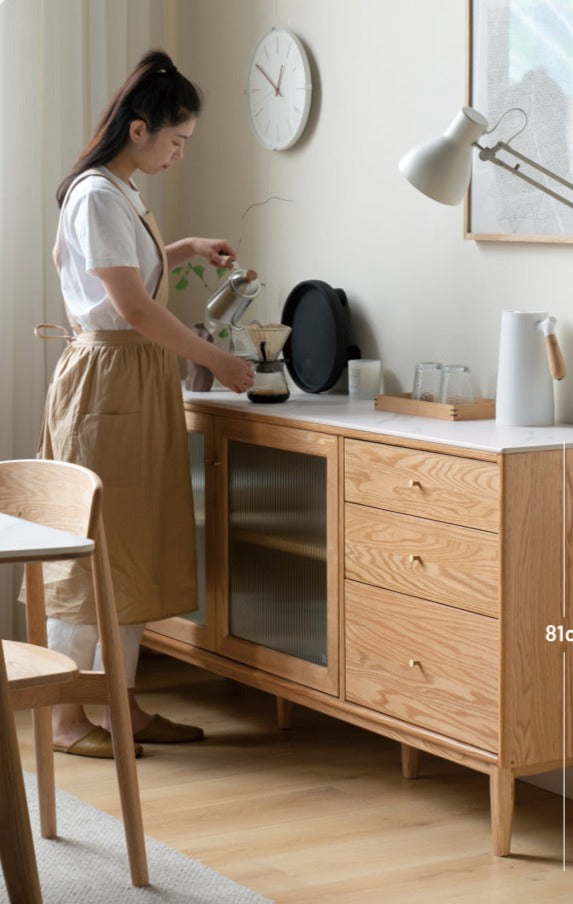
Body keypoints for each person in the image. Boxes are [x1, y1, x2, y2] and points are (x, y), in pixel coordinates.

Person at [37, 49, 254, 758]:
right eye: (176, 141)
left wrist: (183, 247)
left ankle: (120, 703)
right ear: (139, 131)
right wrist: (216, 359)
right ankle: (68, 719)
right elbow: (130, 309)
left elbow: (124, 278)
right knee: (92, 548)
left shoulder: (120, 193)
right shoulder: (99, 194)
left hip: (134, 380)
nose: (178, 155)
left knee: (127, 550)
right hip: (110, 381)